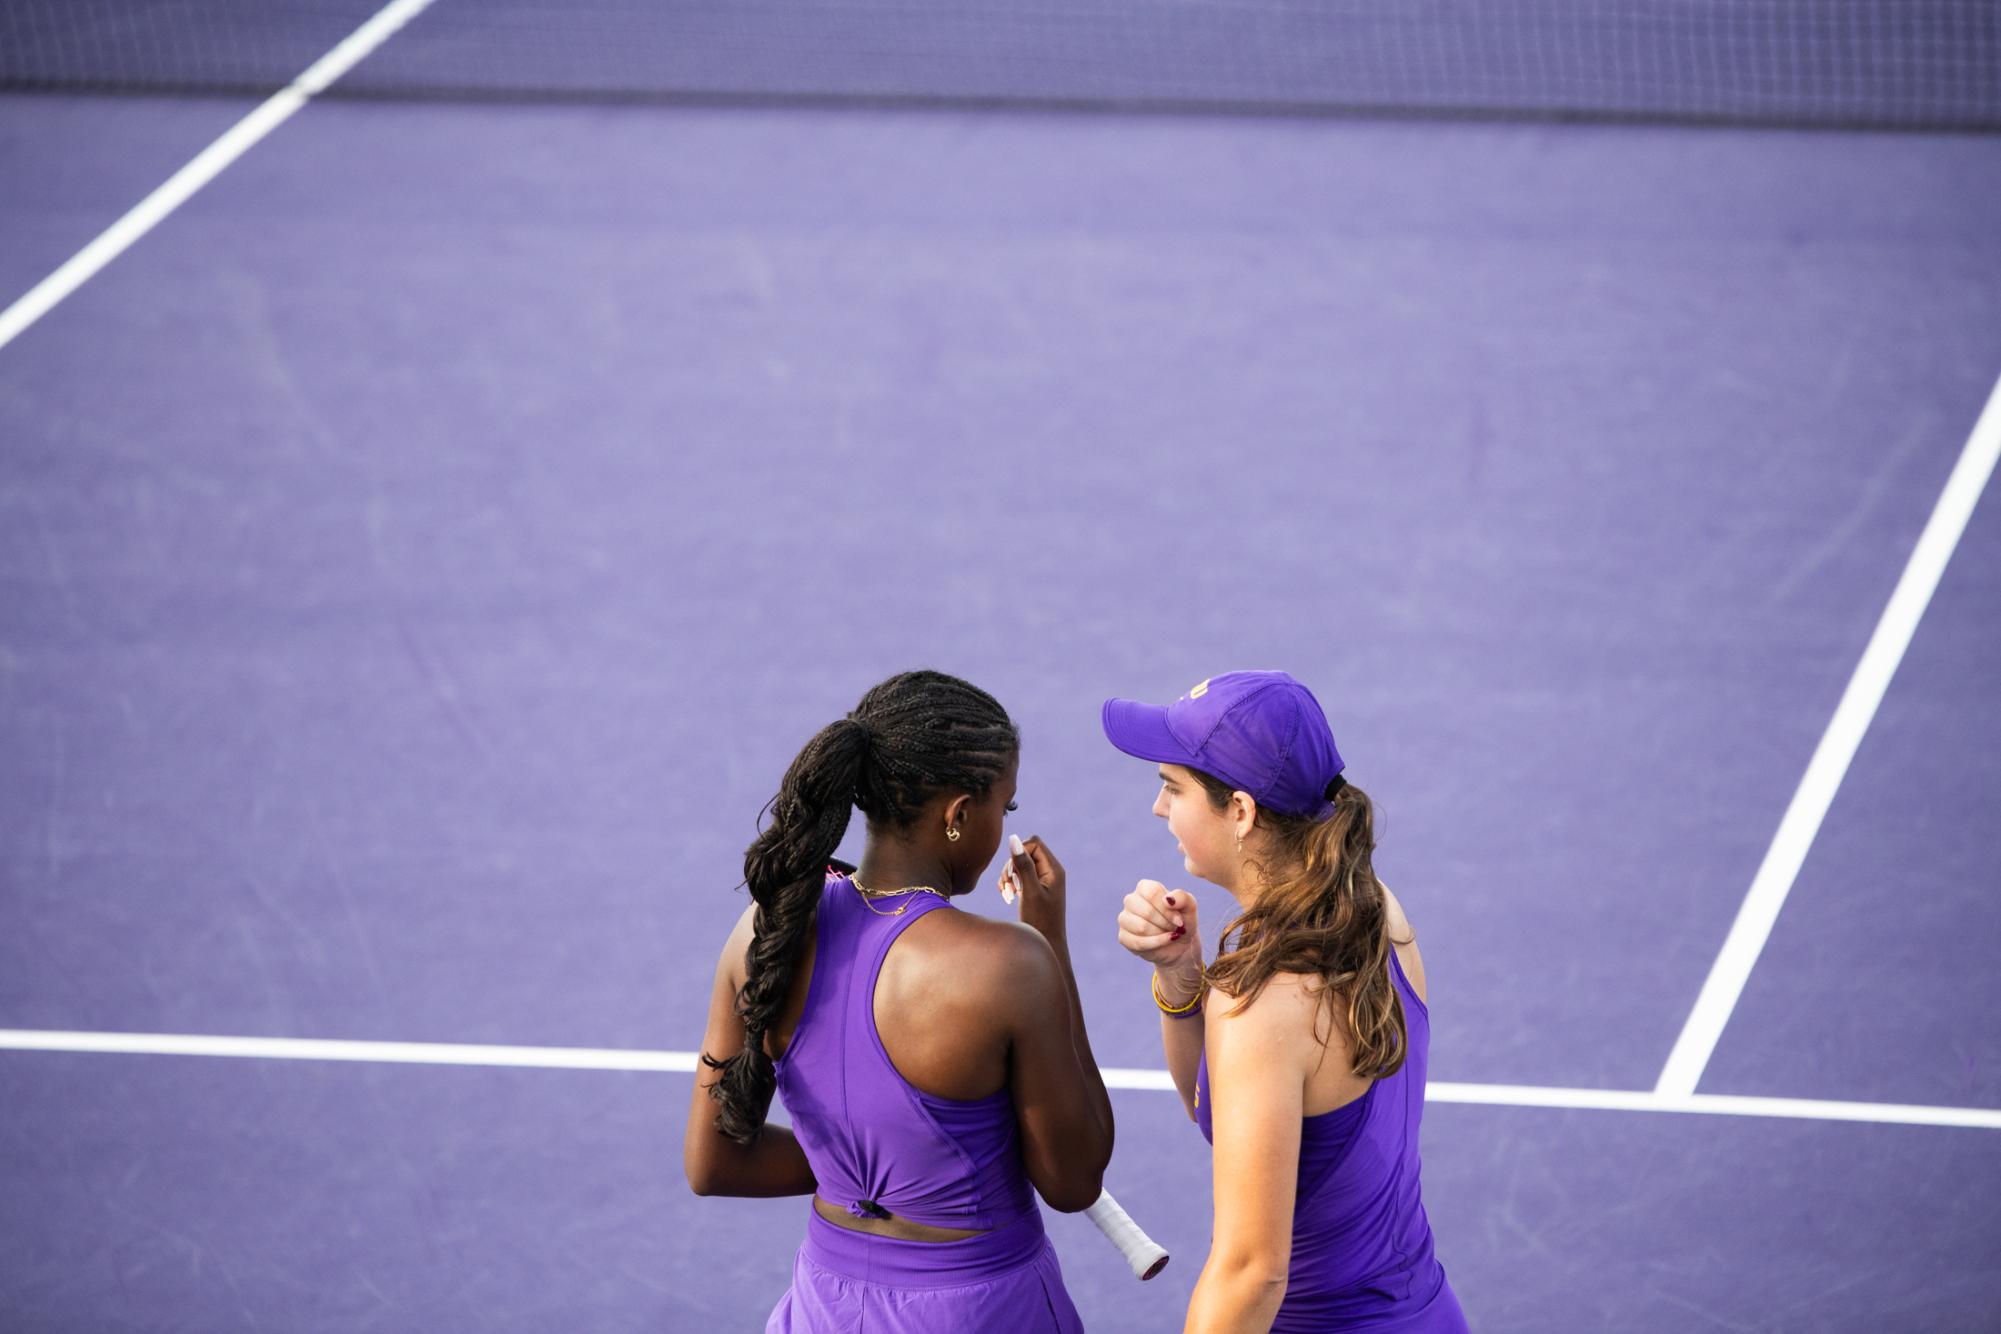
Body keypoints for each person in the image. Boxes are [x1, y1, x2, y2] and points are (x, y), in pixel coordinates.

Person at [685, 669, 1112, 1333]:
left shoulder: (762, 931)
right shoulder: (1011, 965)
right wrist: (1047, 938)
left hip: (824, 1308)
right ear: (958, 815)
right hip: (981, 1309)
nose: (1004, 825)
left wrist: (864, 1162)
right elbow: (1074, 1181)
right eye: (1006, 806)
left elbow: (713, 1163)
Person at [1105, 670, 1469, 1333]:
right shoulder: (1374, 909)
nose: (1159, 809)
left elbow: (1250, 1272)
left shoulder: (1261, 998)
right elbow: (1218, 1114)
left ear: (1240, 811)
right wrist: (1184, 982)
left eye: (1172, 788)